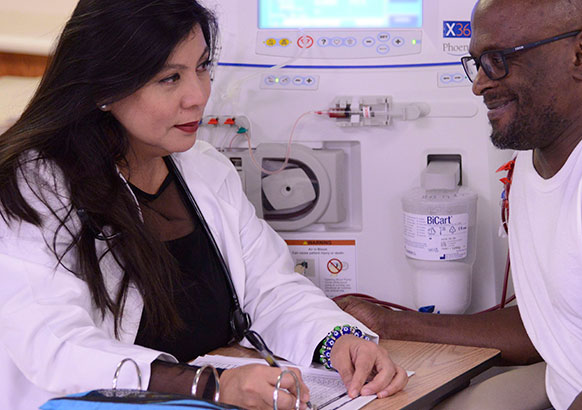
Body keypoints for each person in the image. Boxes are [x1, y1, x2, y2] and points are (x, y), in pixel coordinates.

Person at [0, 1, 407, 409]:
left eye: (202, 67)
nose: (197, 96)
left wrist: (338, 341)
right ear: (105, 88)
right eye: (169, 78)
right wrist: (212, 386)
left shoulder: (204, 169)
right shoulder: (32, 188)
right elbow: (57, 347)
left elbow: (268, 288)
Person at [337, 0, 582, 409]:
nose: (479, 84)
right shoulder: (539, 152)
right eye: (476, 63)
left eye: (497, 60)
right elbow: (548, 324)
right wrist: (389, 324)